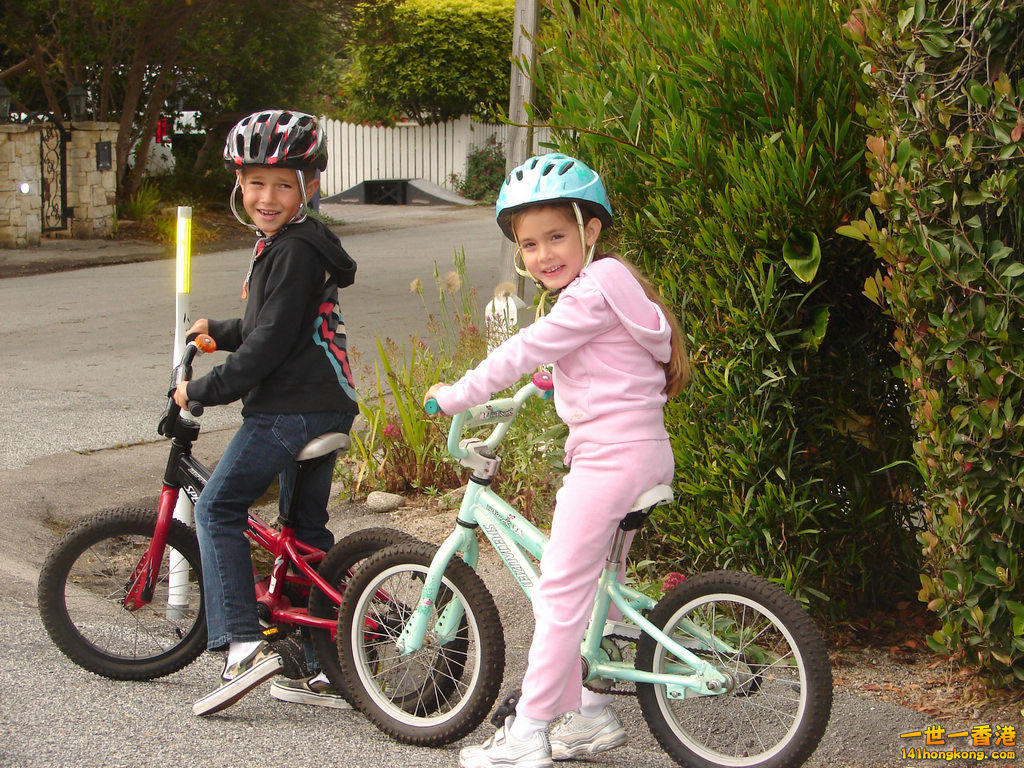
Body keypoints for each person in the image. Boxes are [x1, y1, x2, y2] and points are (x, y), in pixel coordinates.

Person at [424, 153, 690, 768]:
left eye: (557, 237)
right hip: (647, 454)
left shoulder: (584, 297)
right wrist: (557, 379)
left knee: (558, 598)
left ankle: (528, 735)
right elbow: (604, 359)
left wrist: (454, 395)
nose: (544, 254)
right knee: (601, 590)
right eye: (530, 245)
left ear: (588, 230)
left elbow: (519, 350)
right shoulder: (616, 286)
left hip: (604, 466)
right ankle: (592, 713)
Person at [173, 109, 359, 717]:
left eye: (284, 183)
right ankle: (321, 664)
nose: (267, 196)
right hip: (321, 404)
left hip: (288, 410)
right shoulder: (292, 245)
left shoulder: (295, 249)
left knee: (219, 507)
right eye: (256, 182)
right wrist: (220, 331)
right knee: (303, 535)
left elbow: (272, 341)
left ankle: (244, 649)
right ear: (238, 184)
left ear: (310, 184)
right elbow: (276, 322)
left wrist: (207, 389)